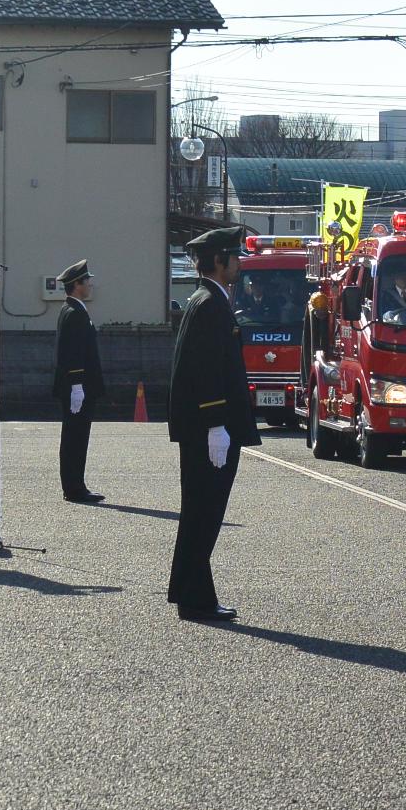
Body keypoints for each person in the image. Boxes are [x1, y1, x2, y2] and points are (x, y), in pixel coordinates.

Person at [167, 227, 260, 622]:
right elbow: (207, 372)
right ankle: (195, 599)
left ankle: (193, 593)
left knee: (200, 514)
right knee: (203, 514)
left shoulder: (206, 300)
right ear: (219, 262)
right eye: (234, 257)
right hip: (210, 430)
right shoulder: (209, 305)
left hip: (208, 427)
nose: (239, 263)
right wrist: (215, 424)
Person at [53, 260, 105, 504]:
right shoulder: (73, 312)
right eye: (86, 281)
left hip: (81, 385)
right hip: (78, 386)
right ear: (76, 284)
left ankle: (76, 484)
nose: (89, 284)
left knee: (77, 436)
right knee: (75, 436)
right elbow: (72, 352)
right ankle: (74, 487)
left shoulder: (76, 309)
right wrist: (76, 385)